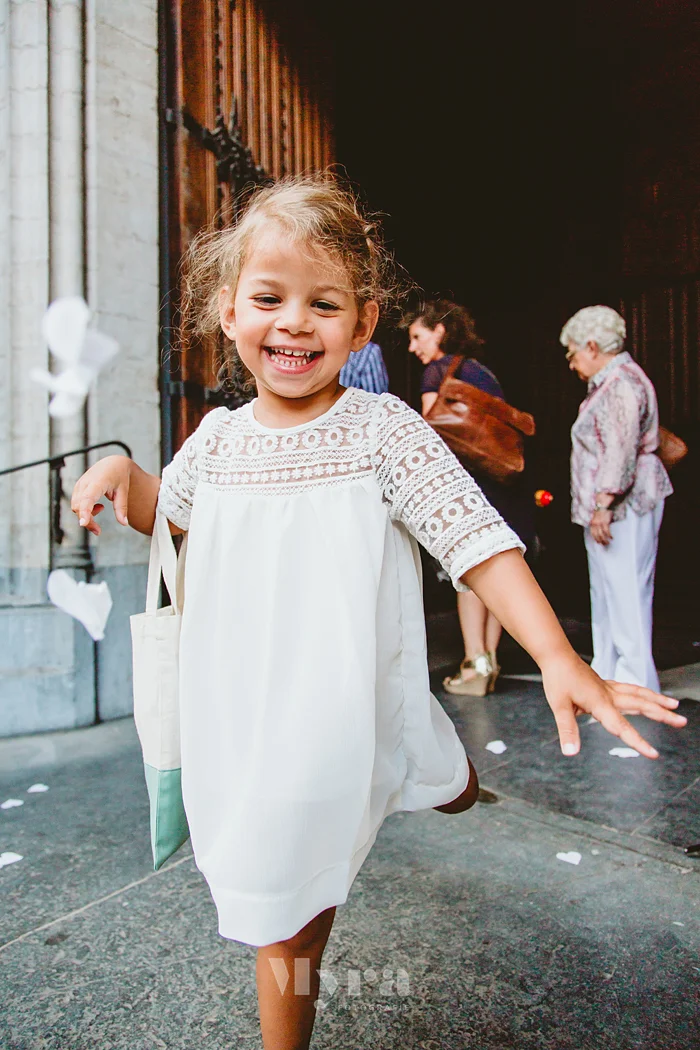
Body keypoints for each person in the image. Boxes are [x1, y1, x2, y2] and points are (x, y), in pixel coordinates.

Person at [72, 177, 684, 1050]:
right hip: (243, 715)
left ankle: (435, 777)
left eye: (323, 305)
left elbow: (476, 540)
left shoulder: (383, 429)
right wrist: (118, 475)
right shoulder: (217, 440)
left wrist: (558, 656)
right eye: (270, 299)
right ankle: (437, 773)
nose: (295, 323)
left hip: (337, 703)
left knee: (292, 910)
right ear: (228, 311)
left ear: (362, 325)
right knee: (286, 901)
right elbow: (166, 513)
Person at [407, 300, 535, 696]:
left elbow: (432, 436)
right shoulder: (484, 373)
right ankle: (490, 661)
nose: (413, 347)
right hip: (501, 485)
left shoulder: (437, 372)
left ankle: (473, 664)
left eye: (417, 336)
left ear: (439, 331)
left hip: (466, 484)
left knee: (467, 574)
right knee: (495, 569)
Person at [560, 305, 673, 691]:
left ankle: (635, 683)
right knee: (610, 591)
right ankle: (609, 676)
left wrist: (603, 505)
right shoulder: (610, 383)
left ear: (592, 346)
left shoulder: (622, 383)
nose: (571, 362)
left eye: (573, 352)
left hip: (625, 504)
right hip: (615, 505)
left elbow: (620, 450)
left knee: (626, 591)